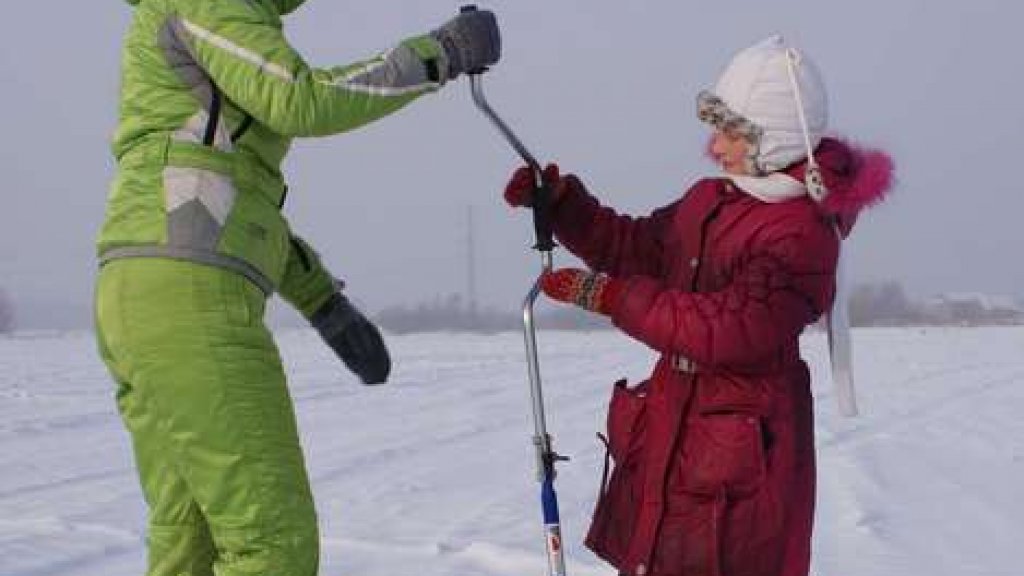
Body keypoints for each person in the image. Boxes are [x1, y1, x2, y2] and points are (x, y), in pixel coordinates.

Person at [94, 1, 500, 575]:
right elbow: (300, 100)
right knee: (273, 546)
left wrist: (324, 303)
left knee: (190, 541)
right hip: (187, 295)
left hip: (146, 288)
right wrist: (442, 54)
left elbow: (224, 199)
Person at [503, 35, 894, 576]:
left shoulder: (803, 231)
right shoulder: (710, 200)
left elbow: (731, 328)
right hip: (676, 425)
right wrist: (565, 208)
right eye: (716, 123)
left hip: (740, 458)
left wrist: (611, 297)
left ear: (773, 140)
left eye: (731, 128)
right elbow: (636, 247)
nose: (716, 141)